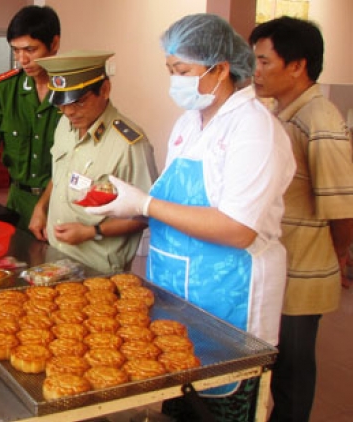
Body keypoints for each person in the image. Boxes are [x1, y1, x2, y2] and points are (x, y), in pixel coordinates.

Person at [87, 14, 295, 422]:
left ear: (220, 68)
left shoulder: (254, 130)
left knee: (219, 406)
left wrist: (144, 205)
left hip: (229, 301)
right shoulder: (189, 123)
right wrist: (118, 206)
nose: (174, 82)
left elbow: (238, 229)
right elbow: (178, 203)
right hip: (177, 299)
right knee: (179, 403)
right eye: (170, 71)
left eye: (182, 71)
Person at [249, 17, 353, 422]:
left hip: (304, 271)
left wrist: (337, 256)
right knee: (276, 363)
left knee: (293, 369)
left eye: (264, 62)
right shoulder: (283, 113)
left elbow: (343, 207)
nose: (256, 73)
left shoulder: (319, 119)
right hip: (281, 264)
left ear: (298, 65)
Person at [33, 50, 157, 274]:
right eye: (61, 103)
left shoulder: (129, 144)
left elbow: (145, 215)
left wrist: (92, 231)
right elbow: (62, 174)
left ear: (105, 90)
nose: (69, 111)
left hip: (97, 270)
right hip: (56, 256)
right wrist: (41, 207)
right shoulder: (65, 125)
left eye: (79, 102)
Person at [0, 5, 62, 234]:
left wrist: (44, 205)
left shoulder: (72, 92)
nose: (22, 59)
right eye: (16, 51)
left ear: (54, 44)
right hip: (17, 201)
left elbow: (72, 162)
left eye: (30, 49)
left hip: (60, 202)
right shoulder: (4, 90)